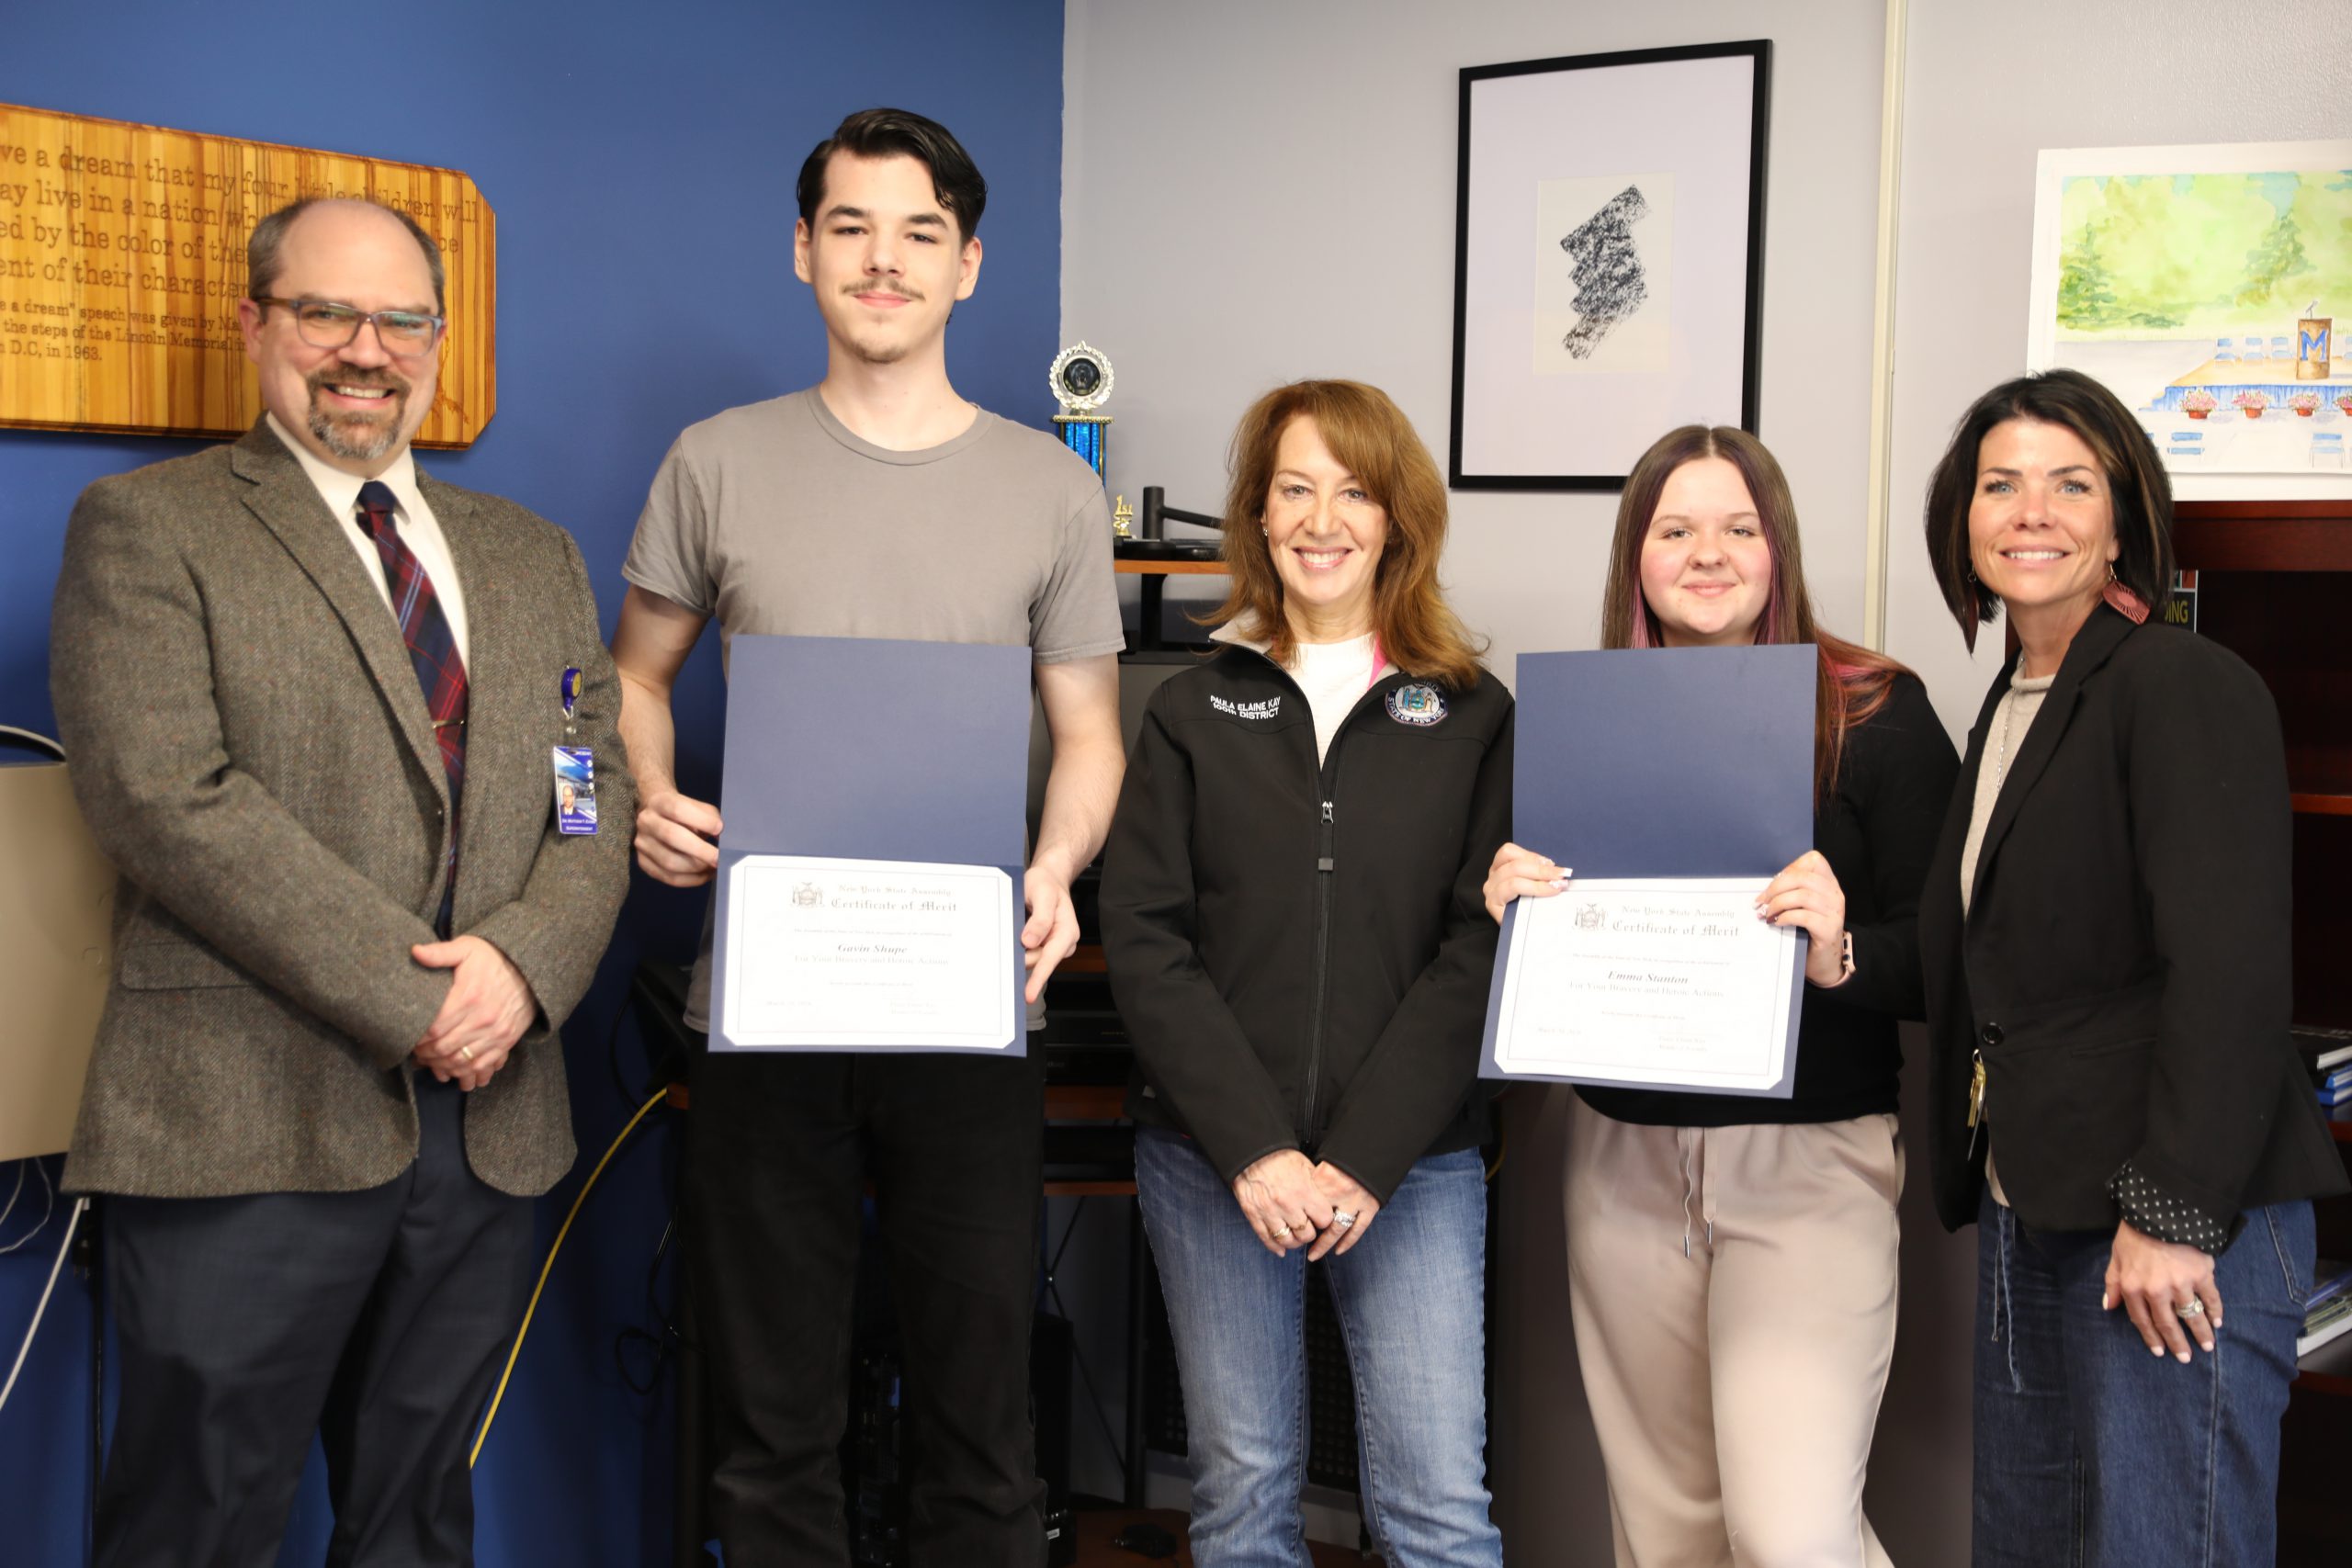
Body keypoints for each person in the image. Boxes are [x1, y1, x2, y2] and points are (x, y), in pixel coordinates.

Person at [48, 197, 634, 1567]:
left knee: (416, 1523)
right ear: (255, 323)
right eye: (327, 313)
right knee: (196, 1522)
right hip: (245, 1115)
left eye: (401, 320)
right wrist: (419, 999)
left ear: (438, 340)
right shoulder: (149, 525)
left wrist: (525, 966)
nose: (366, 351)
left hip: (488, 1122)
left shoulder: (531, 551)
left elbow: (587, 787)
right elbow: (164, 797)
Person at [611, 108, 1125, 1567]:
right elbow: (623, 679)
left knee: (982, 1421)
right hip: (768, 1006)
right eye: (851, 227)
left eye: (918, 233)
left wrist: (1057, 868)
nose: (882, 260)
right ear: (803, 250)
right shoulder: (715, 461)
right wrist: (647, 794)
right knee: (771, 1419)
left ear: (968, 265)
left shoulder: (1051, 487)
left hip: (969, 997)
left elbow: (1090, 734)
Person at [1485, 425, 1957, 1566]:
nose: (1708, 553)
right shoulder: (1576, 724)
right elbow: (1511, 942)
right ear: (1635, 556)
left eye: (1739, 527)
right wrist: (1505, 908)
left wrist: (1840, 949)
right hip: (1621, 1165)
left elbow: (1955, 956)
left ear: (1777, 546)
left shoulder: (1875, 710)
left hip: (1809, 1166)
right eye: (1677, 529)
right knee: (1667, 1529)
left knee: (1790, 1534)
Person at [1917, 368, 2346, 1565]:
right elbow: (1995, 964)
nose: (2030, 511)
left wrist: (2169, 1213)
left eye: (2070, 484)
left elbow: (2231, 968)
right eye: (2000, 485)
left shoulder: (2178, 681)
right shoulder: (2012, 702)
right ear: (1963, 518)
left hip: (2169, 1223)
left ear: (2122, 524)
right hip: (2037, 1208)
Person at [1100, 380, 1511, 1568]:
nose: (1321, 520)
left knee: (1438, 1510)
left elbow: (1477, 946)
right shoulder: (1189, 708)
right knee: (1242, 1497)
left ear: (1396, 519)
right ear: (1258, 514)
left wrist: (1363, 1156)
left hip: (1414, 1164)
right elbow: (1146, 935)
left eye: (1354, 491)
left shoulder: (1475, 714)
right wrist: (1256, 1149)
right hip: (1216, 1161)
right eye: (1293, 489)